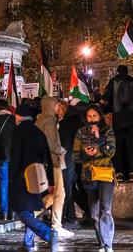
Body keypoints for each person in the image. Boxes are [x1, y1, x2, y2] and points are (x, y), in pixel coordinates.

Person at [9, 101, 57, 252]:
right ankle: (28, 243)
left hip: (22, 177)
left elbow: (16, 155)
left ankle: (48, 233)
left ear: (19, 116)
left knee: (21, 211)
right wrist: (50, 180)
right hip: (38, 177)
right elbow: (47, 157)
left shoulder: (18, 131)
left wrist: (12, 176)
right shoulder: (38, 132)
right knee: (29, 209)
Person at [75, 104, 117, 252]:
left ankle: (108, 244)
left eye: (95, 116)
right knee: (94, 214)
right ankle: (101, 242)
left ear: (100, 116)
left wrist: (99, 140)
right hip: (88, 176)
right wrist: (86, 154)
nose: (92, 119)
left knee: (106, 210)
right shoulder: (81, 133)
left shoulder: (107, 131)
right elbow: (76, 156)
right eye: (89, 116)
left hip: (105, 174)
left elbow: (111, 152)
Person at [36, 95, 73, 238]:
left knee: (54, 194)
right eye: (57, 106)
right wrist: (62, 150)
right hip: (54, 161)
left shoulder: (40, 119)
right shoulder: (49, 120)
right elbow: (52, 144)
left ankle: (30, 213)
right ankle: (56, 225)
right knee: (60, 193)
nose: (59, 108)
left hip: (46, 161)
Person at [103, 65, 133, 181]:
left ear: (118, 72)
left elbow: (107, 100)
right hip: (132, 119)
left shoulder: (113, 82)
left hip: (118, 120)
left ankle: (119, 172)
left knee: (118, 148)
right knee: (132, 148)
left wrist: (107, 111)